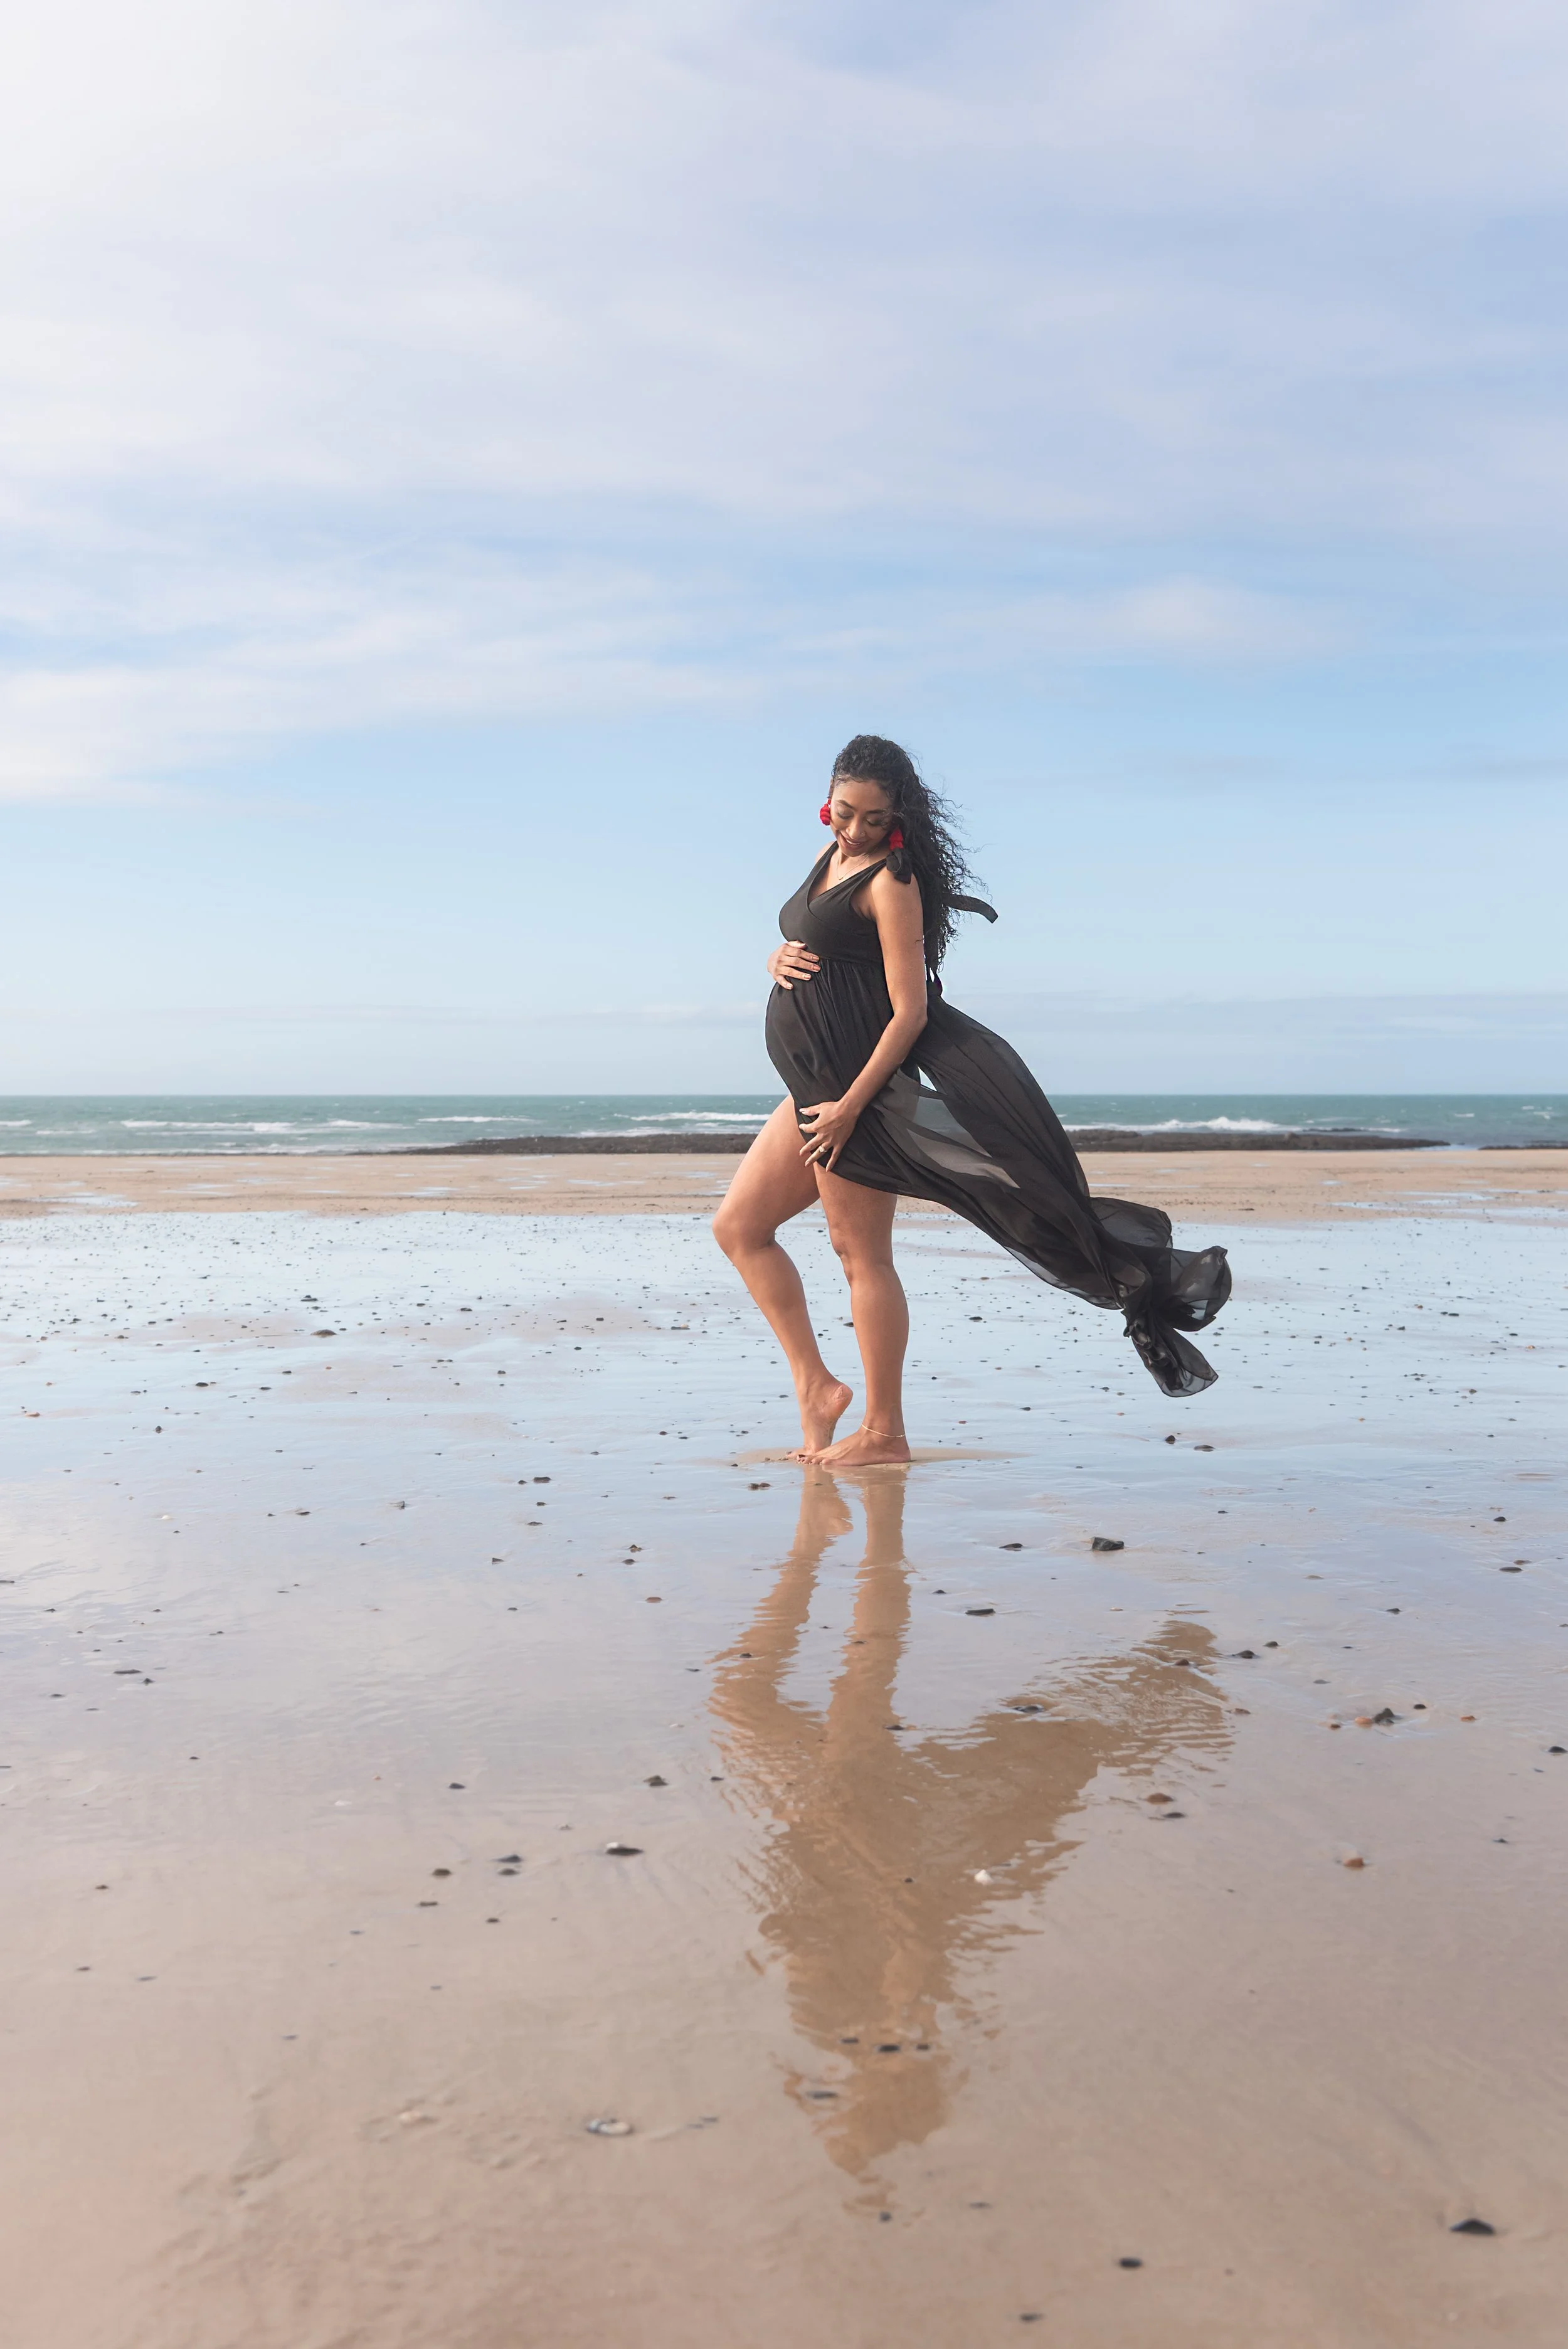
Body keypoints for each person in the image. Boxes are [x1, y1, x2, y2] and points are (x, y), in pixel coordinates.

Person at [712, 735, 1231, 1465]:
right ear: (828, 798)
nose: (854, 828)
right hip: (811, 1090)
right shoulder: (832, 856)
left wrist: (854, 1104)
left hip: (854, 1095)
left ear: (899, 815)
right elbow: (817, 941)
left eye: (872, 817)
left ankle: (885, 1432)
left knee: (859, 1256)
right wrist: (777, 955)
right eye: (844, 811)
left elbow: (910, 1012)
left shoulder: (892, 882)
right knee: (739, 1228)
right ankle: (816, 1385)